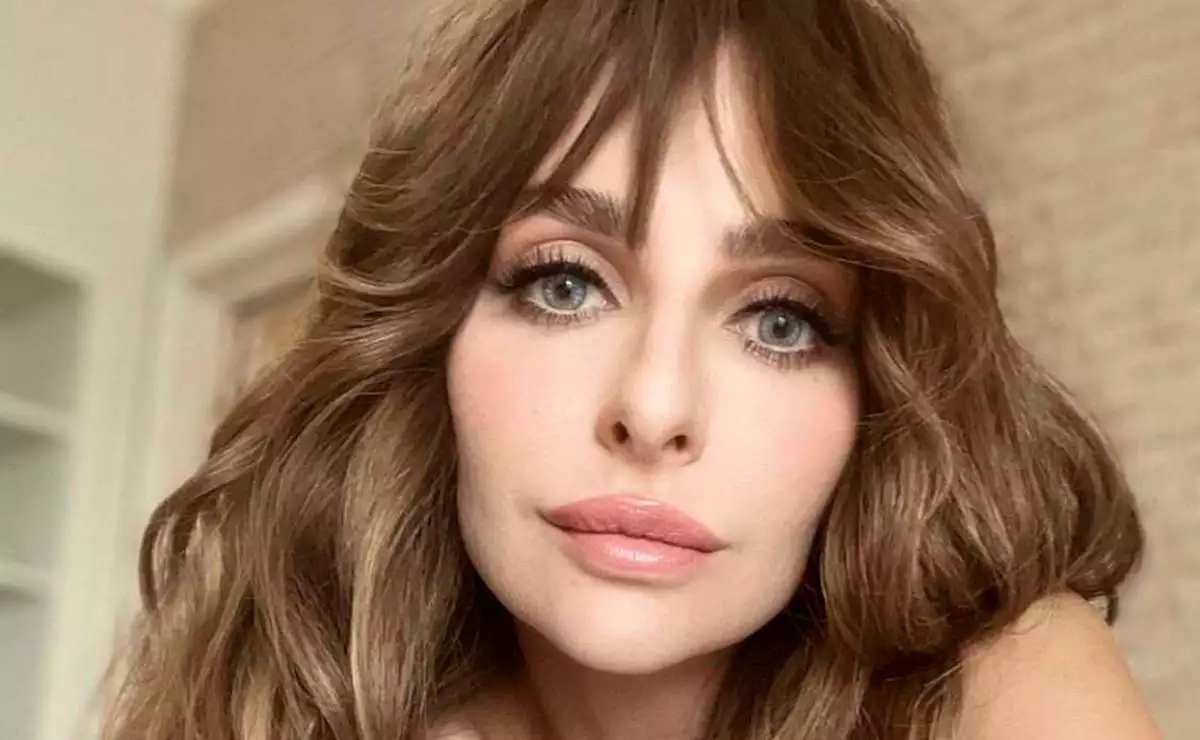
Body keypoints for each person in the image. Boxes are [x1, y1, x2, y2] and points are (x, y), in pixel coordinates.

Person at [100, 1, 1164, 738]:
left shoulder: (1001, 693)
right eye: (565, 284)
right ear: (433, 337)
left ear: (882, 393)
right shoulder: (279, 701)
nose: (654, 408)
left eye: (782, 320)